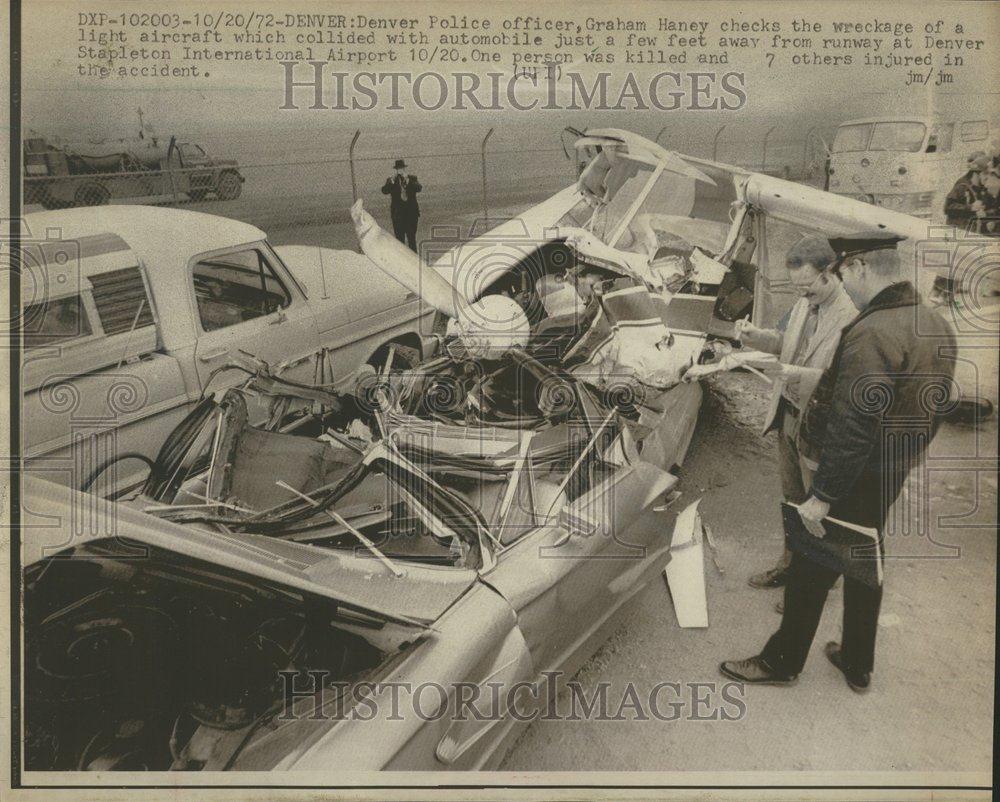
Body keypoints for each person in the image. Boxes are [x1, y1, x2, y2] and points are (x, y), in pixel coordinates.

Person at [720, 232, 956, 692]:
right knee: (866, 558)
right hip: (890, 470)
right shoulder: (933, 322)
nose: (846, 283)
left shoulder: (872, 330)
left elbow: (853, 422)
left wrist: (823, 495)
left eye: (845, 272)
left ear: (861, 267)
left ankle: (782, 661)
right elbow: (939, 404)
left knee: (811, 564)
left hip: (853, 474)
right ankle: (856, 661)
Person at [734, 236, 857, 592]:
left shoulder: (850, 319)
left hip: (815, 426)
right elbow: (785, 341)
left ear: (829, 273)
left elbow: (843, 384)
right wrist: (756, 337)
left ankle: (810, 584)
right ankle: (790, 566)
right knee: (791, 500)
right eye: (798, 289)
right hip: (787, 415)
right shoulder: (807, 301)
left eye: (807, 287)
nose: (802, 296)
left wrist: (794, 375)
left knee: (815, 508)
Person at [381, 158, 422, 251]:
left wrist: (408, 181)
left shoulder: (412, 178)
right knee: (400, 241)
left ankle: (414, 261)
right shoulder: (391, 180)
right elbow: (384, 191)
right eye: (398, 169)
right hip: (398, 216)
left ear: (404, 169)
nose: (400, 170)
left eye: (402, 168)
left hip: (411, 215)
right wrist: (390, 183)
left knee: (412, 239)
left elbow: (419, 188)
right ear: (396, 170)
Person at [943, 151, 989, 229]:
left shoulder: (982, 186)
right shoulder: (962, 186)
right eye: (985, 173)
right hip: (960, 230)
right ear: (977, 173)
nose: (987, 177)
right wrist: (970, 208)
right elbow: (947, 207)